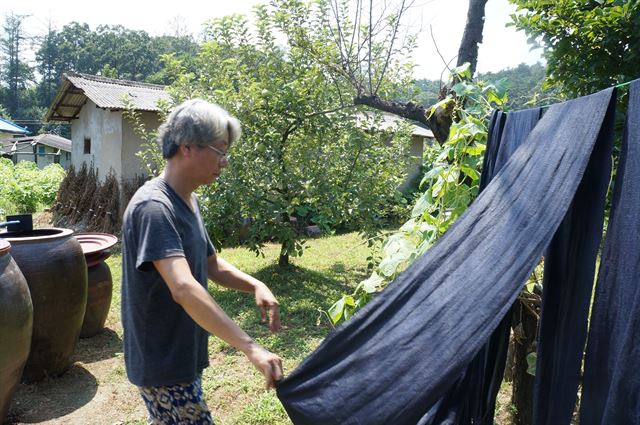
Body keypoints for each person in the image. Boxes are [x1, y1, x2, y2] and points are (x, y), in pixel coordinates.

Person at [121, 99, 283, 424]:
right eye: (220, 151)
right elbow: (183, 287)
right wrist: (251, 348)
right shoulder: (155, 208)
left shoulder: (187, 199)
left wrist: (255, 284)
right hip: (162, 362)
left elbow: (211, 264)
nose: (224, 162)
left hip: (181, 353)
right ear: (187, 147)